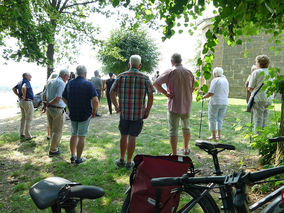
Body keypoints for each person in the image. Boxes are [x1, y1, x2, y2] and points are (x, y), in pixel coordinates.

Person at [110, 55, 154, 169]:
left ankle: (121, 159)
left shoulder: (120, 76)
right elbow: (151, 96)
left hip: (124, 113)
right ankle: (129, 162)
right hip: (138, 113)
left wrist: (116, 105)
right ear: (139, 65)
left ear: (129, 64)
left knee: (123, 136)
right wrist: (147, 110)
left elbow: (111, 92)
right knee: (132, 137)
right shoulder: (145, 78)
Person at [154, 53, 195, 155]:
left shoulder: (170, 71)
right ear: (181, 60)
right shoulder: (189, 72)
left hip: (174, 105)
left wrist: (165, 93)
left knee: (173, 130)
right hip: (186, 105)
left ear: (172, 61)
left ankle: (174, 153)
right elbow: (193, 87)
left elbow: (155, 83)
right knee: (186, 128)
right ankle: (186, 149)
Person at [62, 65, 99, 165]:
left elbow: (63, 97)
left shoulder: (69, 83)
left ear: (77, 73)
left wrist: (69, 105)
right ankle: (78, 159)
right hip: (85, 113)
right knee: (81, 136)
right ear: (85, 73)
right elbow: (95, 101)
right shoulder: (88, 84)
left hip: (73, 113)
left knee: (74, 134)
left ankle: (73, 155)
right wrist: (94, 111)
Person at [42, 70, 69, 157]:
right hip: (57, 108)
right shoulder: (61, 83)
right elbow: (58, 98)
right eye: (68, 76)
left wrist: (45, 104)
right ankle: (53, 150)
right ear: (64, 75)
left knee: (53, 129)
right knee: (57, 131)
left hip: (50, 109)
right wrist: (48, 103)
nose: (68, 78)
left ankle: (54, 147)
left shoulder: (50, 81)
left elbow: (44, 94)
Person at [202, 67, 229, 140]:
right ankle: (218, 135)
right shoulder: (225, 80)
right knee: (220, 119)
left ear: (215, 74)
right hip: (224, 102)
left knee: (212, 118)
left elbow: (211, 93)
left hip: (215, 102)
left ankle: (213, 135)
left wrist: (204, 96)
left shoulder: (215, 80)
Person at [248, 55, 271, 131]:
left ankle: (257, 140)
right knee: (265, 120)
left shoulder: (256, 72)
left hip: (258, 98)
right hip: (269, 98)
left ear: (259, 63)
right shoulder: (271, 72)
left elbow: (250, 87)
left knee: (258, 120)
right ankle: (264, 139)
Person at [12, 73, 35, 140]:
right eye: (29, 75)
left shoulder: (20, 82)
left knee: (23, 118)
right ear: (26, 76)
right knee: (29, 118)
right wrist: (24, 96)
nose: (31, 76)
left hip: (21, 102)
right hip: (27, 101)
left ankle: (22, 134)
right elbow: (24, 87)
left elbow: (13, 88)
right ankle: (28, 135)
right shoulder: (26, 82)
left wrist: (18, 95)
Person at [43, 72, 59, 140]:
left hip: (48, 105)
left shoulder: (46, 85)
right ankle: (54, 137)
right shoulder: (57, 84)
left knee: (49, 122)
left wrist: (44, 104)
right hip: (55, 105)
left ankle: (49, 135)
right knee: (56, 123)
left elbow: (43, 95)